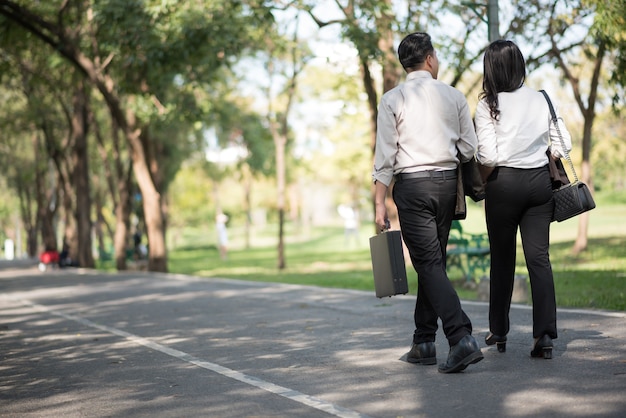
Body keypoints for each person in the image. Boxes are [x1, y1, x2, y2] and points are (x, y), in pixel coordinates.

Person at [373, 32, 483, 373]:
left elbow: (385, 158)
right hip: (447, 187)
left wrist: (379, 204)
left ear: (405, 64)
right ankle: (423, 341)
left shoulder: (393, 99)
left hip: (413, 188)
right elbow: (469, 149)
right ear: (431, 59)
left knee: (428, 264)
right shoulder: (454, 96)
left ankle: (460, 336)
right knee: (431, 263)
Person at [474, 40, 572, 359]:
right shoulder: (541, 98)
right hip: (539, 183)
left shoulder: (488, 103)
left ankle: (499, 330)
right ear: (519, 65)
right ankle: (544, 336)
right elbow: (562, 145)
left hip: (503, 184)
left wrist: (484, 179)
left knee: (502, 259)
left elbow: (486, 155)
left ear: (491, 68)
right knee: (539, 259)